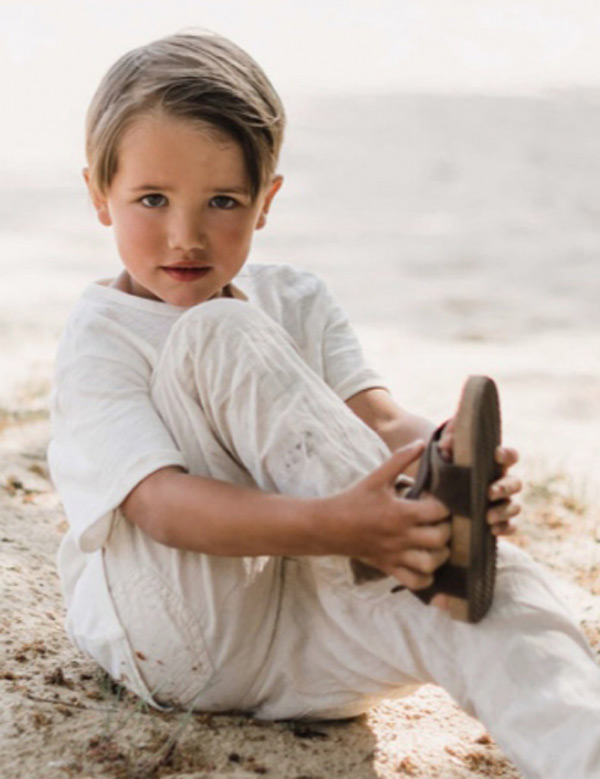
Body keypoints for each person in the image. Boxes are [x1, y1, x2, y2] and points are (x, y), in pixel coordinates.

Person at [48, 31, 600, 779]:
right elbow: (160, 506)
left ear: (266, 200)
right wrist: (339, 525)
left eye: (223, 201)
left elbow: (376, 419)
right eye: (152, 199)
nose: (186, 234)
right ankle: (420, 528)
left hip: (315, 635)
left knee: (499, 585)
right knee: (219, 331)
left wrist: (438, 456)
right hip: (184, 633)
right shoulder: (100, 338)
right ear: (98, 196)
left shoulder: (296, 297)